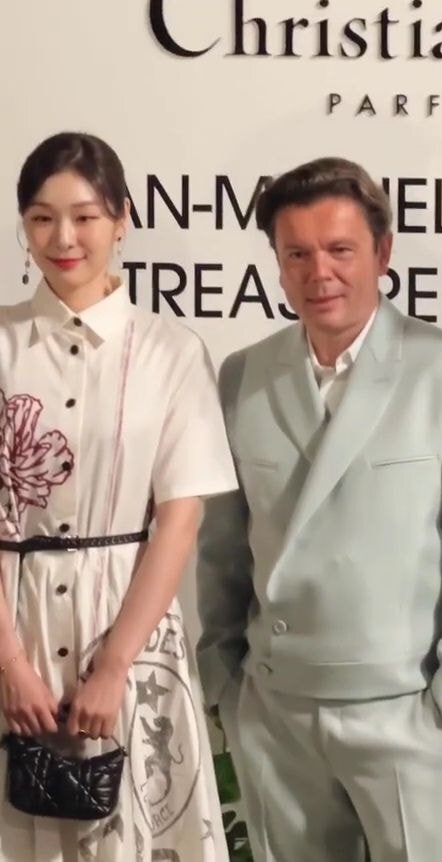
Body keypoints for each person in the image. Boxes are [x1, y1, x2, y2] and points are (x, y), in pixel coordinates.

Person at [196, 156, 442, 862]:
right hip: (276, 708)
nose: (320, 273)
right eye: (297, 255)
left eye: (340, 250)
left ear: (382, 253)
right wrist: (225, 688)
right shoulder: (244, 374)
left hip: (405, 708)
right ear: (277, 265)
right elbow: (221, 549)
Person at [0, 131, 236, 861]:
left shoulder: (171, 351)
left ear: (122, 218)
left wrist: (112, 668)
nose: (63, 239)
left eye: (85, 216)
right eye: (42, 218)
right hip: (11, 625)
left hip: (126, 631)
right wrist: (10, 666)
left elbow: (180, 520)